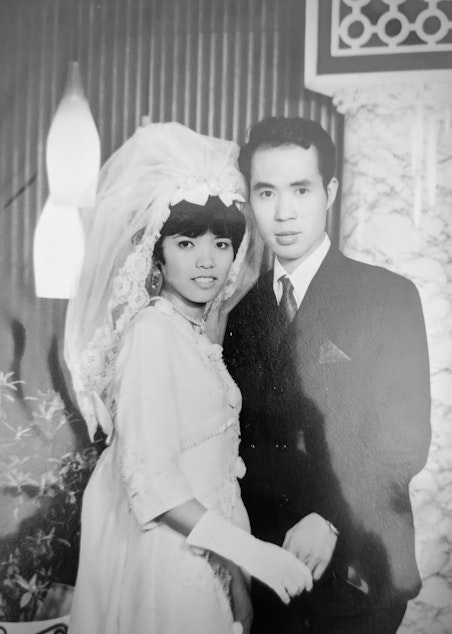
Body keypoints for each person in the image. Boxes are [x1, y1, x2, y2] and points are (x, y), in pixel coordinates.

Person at [64, 122, 313, 634]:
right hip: (166, 554)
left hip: (209, 552)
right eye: (185, 243)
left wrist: (237, 577)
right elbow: (152, 483)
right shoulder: (151, 333)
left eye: (222, 244)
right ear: (157, 253)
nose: (206, 261)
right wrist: (257, 558)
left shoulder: (195, 336)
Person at [223, 117, 432, 634]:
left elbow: (404, 440)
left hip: (362, 577)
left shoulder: (386, 296)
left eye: (301, 189)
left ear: (330, 191)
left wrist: (330, 517)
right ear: (250, 198)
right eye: (266, 191)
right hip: (271, 577)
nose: (284, 211)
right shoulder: (239, 314)